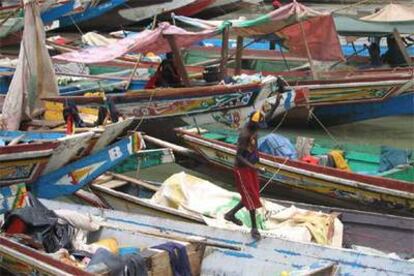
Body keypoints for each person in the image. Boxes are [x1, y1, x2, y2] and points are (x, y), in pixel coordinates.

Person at [224, 93, 283, 240]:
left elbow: (267, 117)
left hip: (251, 167)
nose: (260, 128)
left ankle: (230, 214)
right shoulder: (244, 135)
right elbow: (238, 156)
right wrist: (254, 167)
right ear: (253, 123)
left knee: (253, 195)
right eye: (259, 126)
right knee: (250, 197)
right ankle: (254, 228)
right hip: (243, 169)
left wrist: (276, 103)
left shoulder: (254, 126)